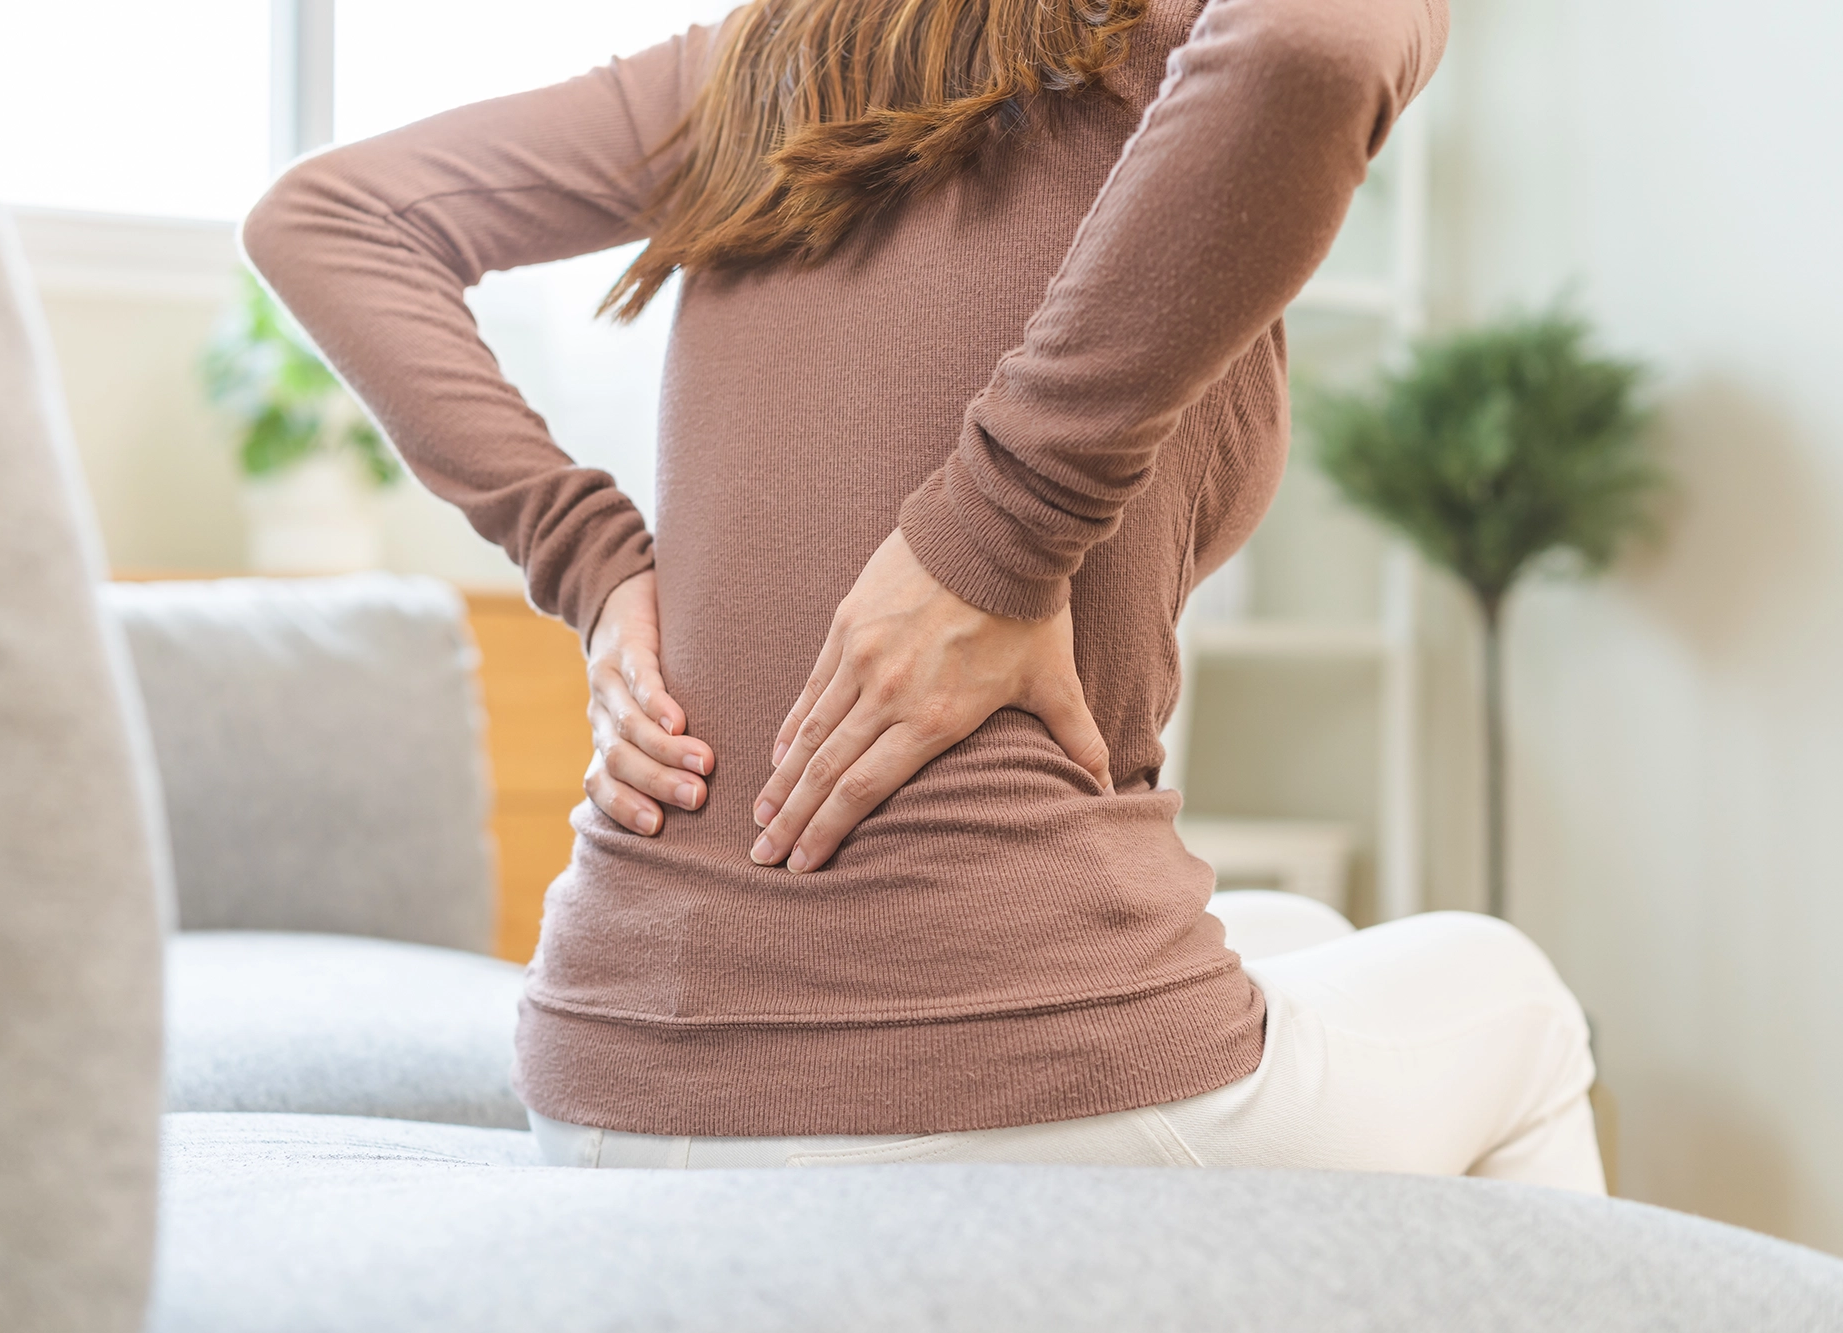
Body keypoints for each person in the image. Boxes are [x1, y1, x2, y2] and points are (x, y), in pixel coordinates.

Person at [243, 0, 1605, 1191]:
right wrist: (992, 536)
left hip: (607, 1091)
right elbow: (1322, 36)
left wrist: (593, 562)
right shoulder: (1168, 35)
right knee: (1518, 1004)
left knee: (1298, 935)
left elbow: (327, 213)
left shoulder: (766, 62)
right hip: (1008, 1092)